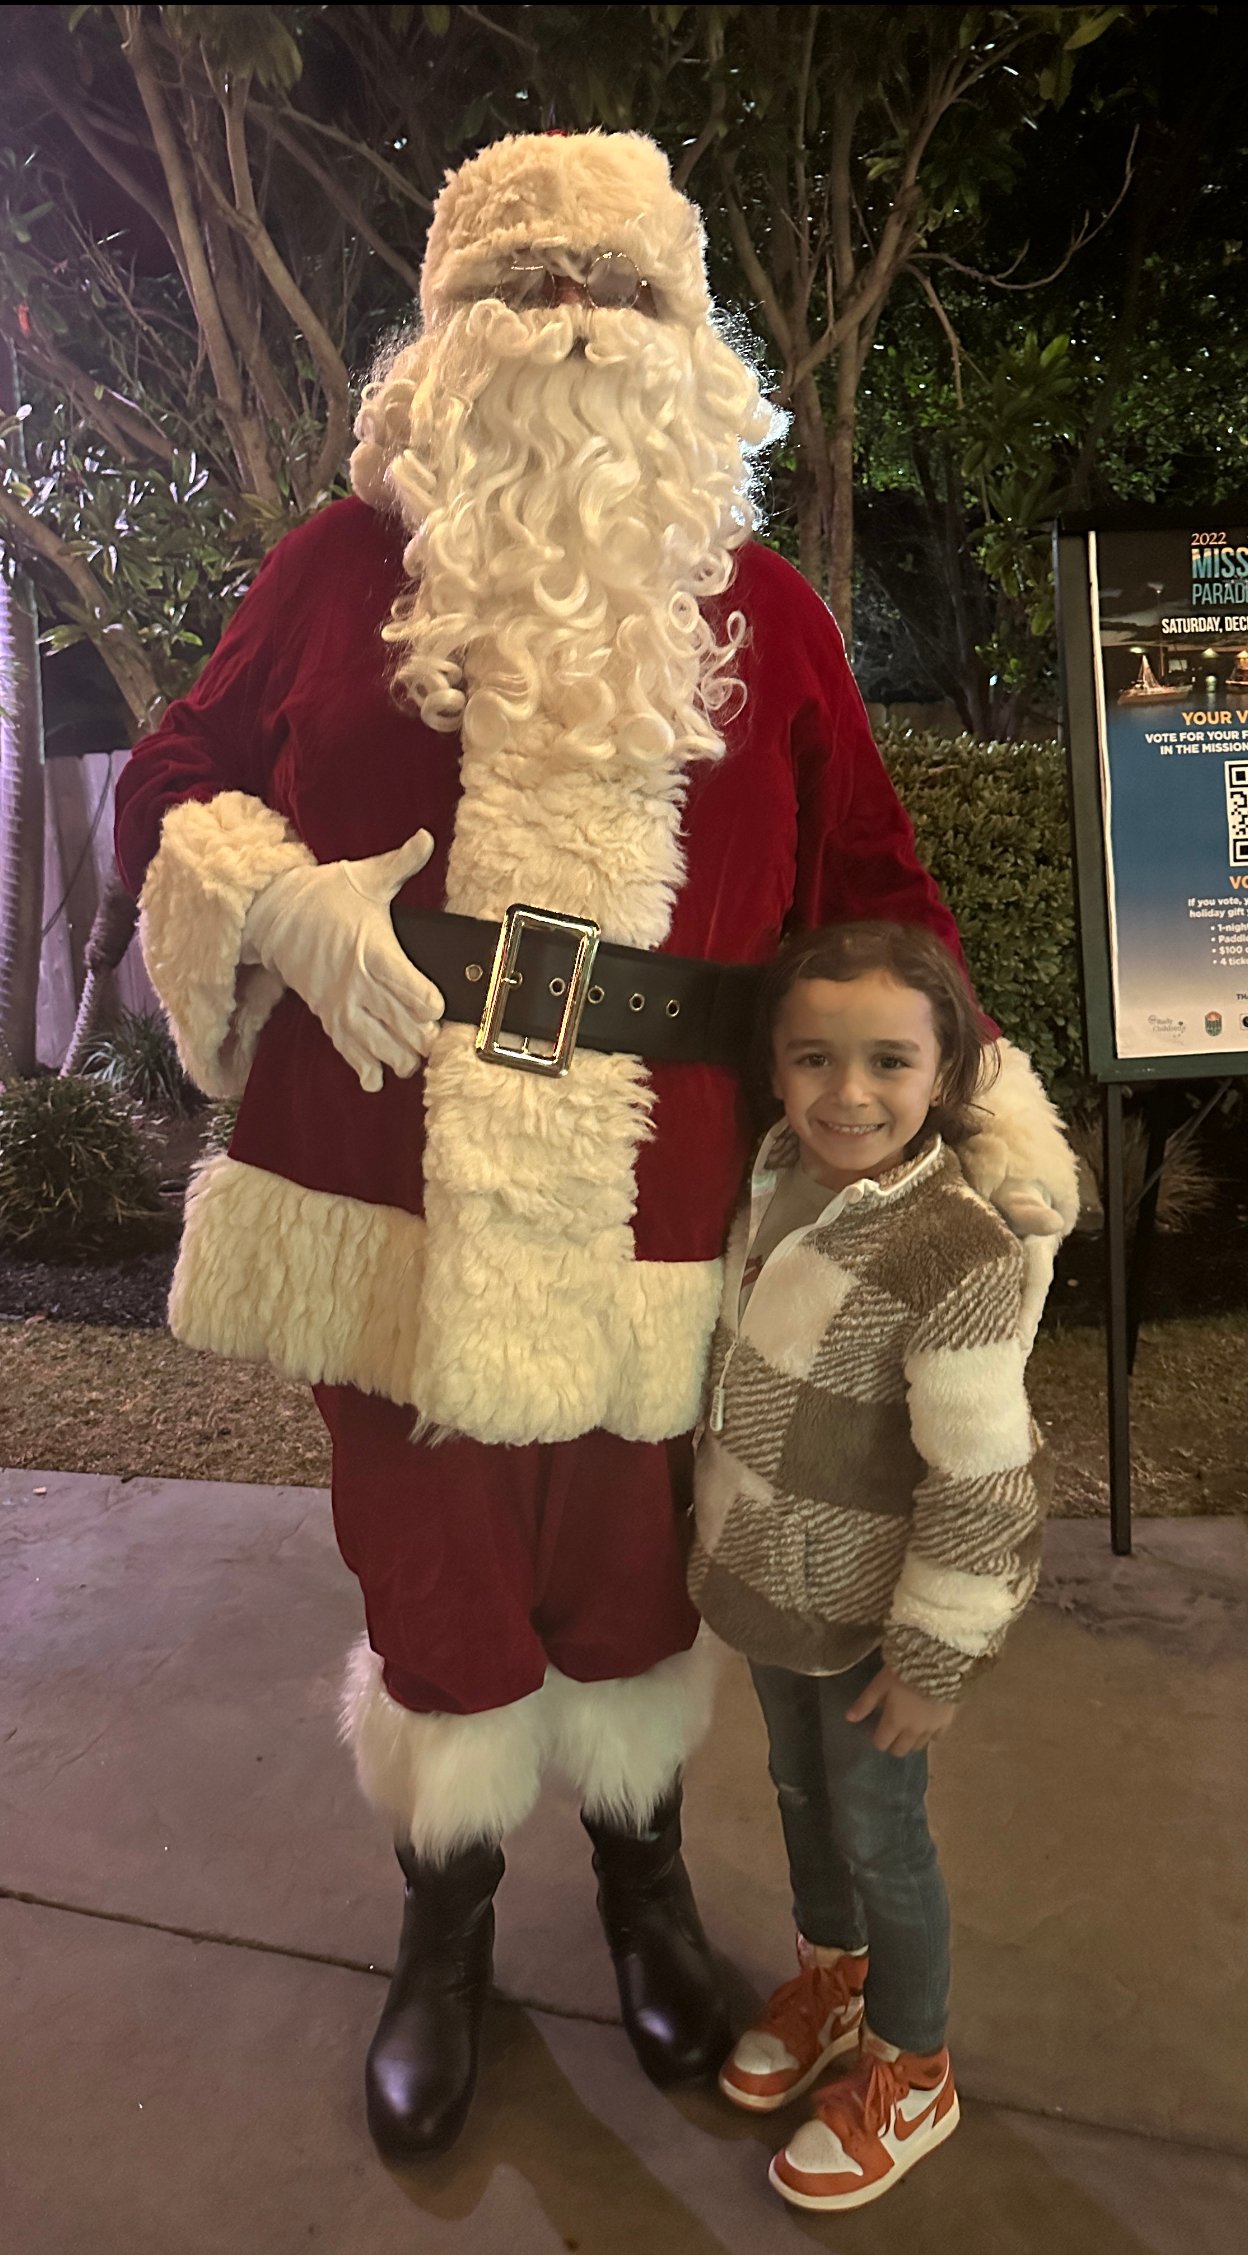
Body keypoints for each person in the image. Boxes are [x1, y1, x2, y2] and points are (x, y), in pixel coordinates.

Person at [112, 129, 1077, 2162]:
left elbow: (872, 888)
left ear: (685, 339)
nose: (567, 326)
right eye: (523, 285)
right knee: (437, 1571)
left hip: (667, 1202)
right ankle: (444, 1929)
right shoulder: (336, 568)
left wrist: (979, 1093)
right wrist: (276, 900)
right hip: (385, 1190)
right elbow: (178, 781)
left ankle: (644, 1889)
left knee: (640, 1577)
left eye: (614, 290)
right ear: (444, 334)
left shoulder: (766, 615)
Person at [690, 918, 1055, 2214]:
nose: (850, 1093)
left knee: (884, 1836)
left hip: (875, 1626)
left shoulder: (955, 1252)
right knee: (799, 1791)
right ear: (777, 1073)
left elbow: (984, 1482)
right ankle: (834, 1976)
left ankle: (915, 2061)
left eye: (889, 1062)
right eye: (814, 1059)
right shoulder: (769, 1169)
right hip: (765, 1588)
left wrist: (935, 1659)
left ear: (945, 1071)